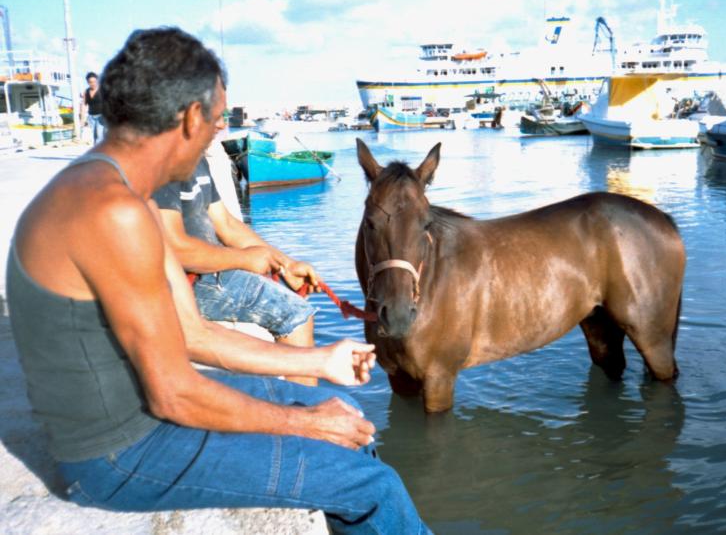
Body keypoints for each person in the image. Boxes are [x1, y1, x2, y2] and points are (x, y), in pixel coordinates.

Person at [6, 27, 430, 535]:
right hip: (118, 455)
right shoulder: (112, 212)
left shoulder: (117, 189)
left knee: (350, 423)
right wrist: (306, 424)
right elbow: (174, 395)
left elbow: (192, 335)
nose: (217, 133)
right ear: (189, 118)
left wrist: (319, 361)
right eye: (216, 119)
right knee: (372, 487)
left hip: (138, 415)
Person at [152, 154, 321, 385]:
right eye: (215, 117)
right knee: (296, 315)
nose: (222, 124)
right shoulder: (163, 163)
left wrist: (286, 265)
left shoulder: (196, 159)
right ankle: (304, 406)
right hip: (184, 282)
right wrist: (243, 259)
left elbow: (226, 224)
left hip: (209, 270)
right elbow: (174, 247)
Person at [82, 71, 104, 144]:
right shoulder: (86, 91)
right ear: (88, 82)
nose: (93, 83)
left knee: (99, 136)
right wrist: (82, 119)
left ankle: (99, 154)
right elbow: (84, 105)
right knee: (95, 137)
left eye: (94, 81)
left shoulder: (102, 90)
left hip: (101, 116)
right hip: (91, 117)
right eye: (90, 82)